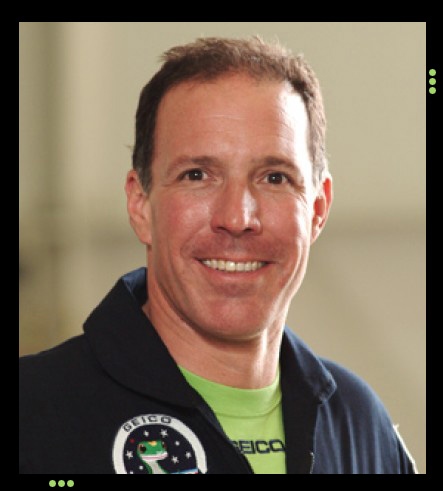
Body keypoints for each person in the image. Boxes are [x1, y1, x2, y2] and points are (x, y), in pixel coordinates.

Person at [19, 36, 418, 474]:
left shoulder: (360, 427)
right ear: (140, 205)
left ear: (318, 210)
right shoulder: (35, 415)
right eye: (197, 175)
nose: (237, 217)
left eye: (274, 178)